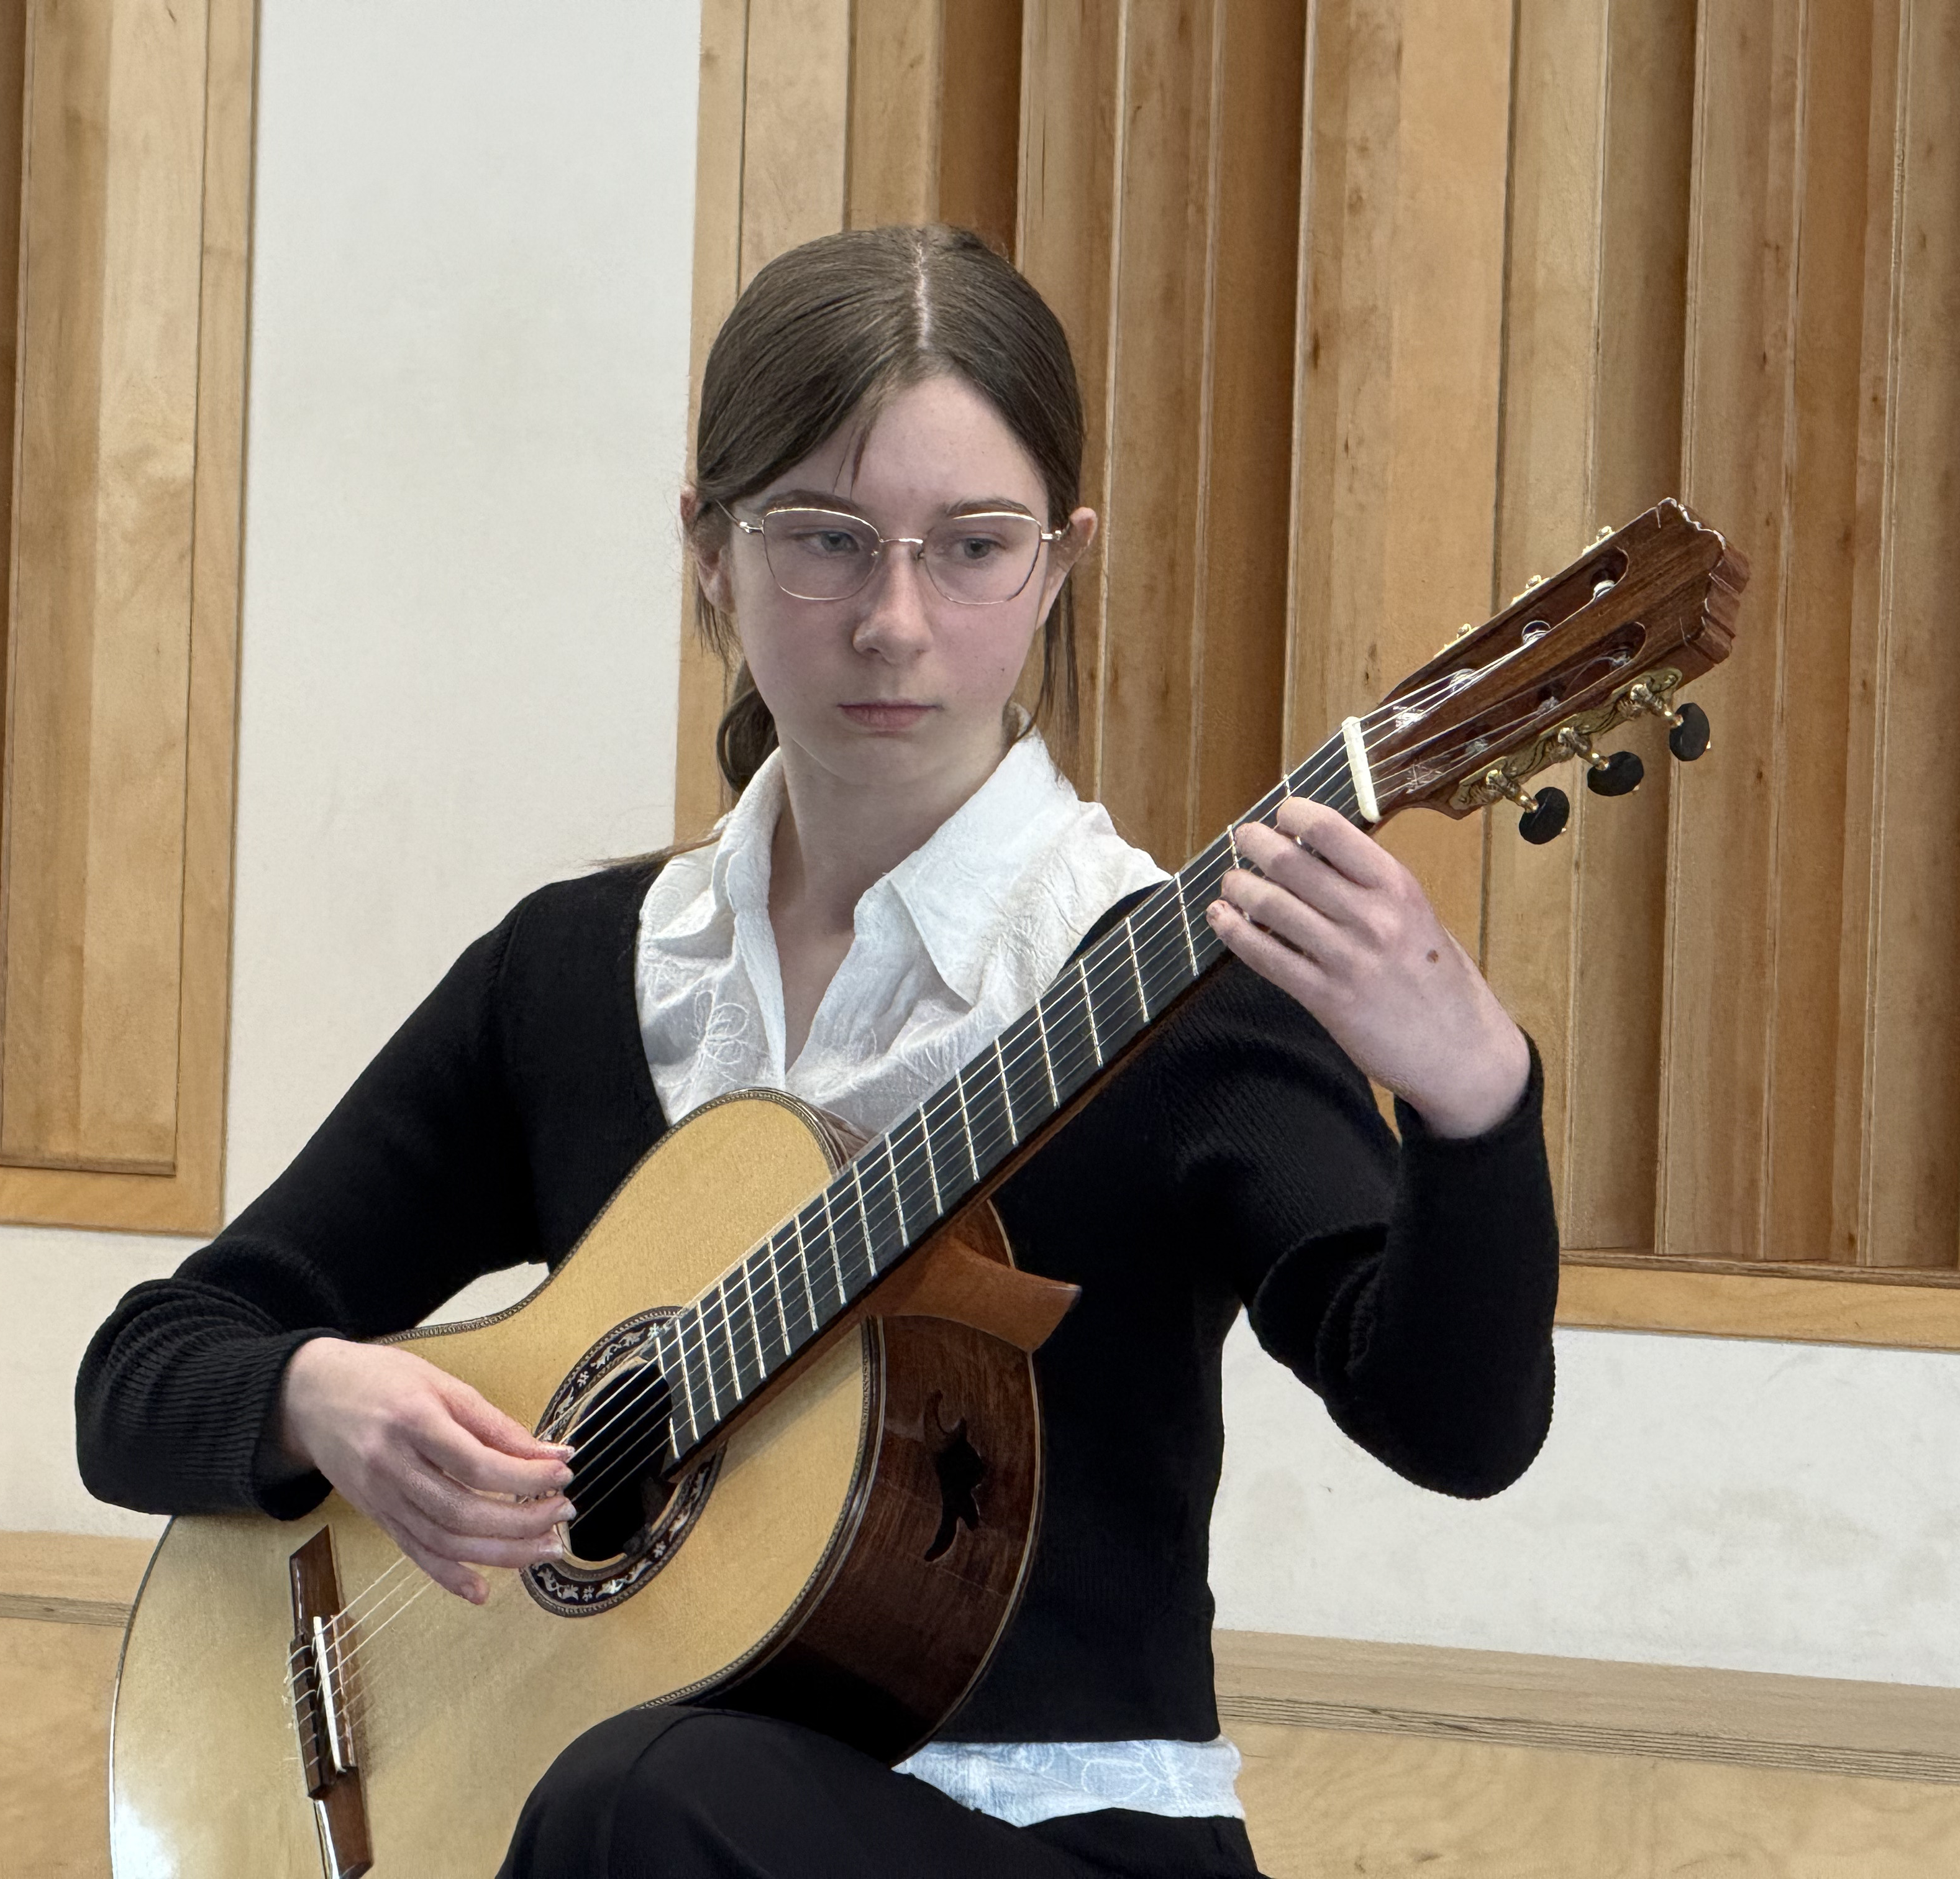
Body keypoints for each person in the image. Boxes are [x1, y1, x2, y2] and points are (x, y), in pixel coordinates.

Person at [76, 223, 1559, 1879]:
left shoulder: (1180, 992)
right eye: (824, 542)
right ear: (708, 551)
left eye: (973, 546)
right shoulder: (578, 980)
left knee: (642, 1797)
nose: (896, 621)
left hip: (1070, 1845)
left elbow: (1461, 1430)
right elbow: (140, 1374)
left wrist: (1473, 1100)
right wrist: (315, 1397)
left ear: (1060, 563)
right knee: (636, 1798)